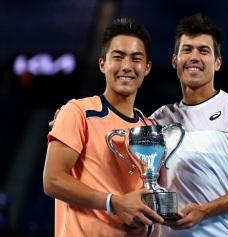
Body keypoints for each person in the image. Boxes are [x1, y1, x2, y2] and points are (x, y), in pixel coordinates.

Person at [149, 13, 228, 237]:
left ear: (217, 63)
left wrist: (205, 211)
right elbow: (147, 185)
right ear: (174, 60)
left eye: (203, 50)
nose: (194, 56)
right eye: (187, 49)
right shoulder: (158, 119)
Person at [43, 18, 164, 237]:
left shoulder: (151, 128)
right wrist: (115, 203)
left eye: (136, 58)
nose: (127, 66)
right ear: (102, 64)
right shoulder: (78, 112)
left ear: (147, 68)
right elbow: (52, 180)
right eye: (118, 57)